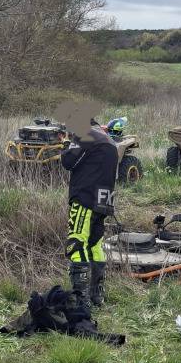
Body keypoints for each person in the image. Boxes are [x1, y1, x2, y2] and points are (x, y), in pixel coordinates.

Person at [60, 117, 118, 306]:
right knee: (94, 245)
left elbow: (68, 161)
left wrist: (66, 143)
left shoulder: (85, 135)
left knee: (77, 242)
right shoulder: (107, 139)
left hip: (85, 197)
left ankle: (80, 298)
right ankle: (97, 296)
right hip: (105, 200)